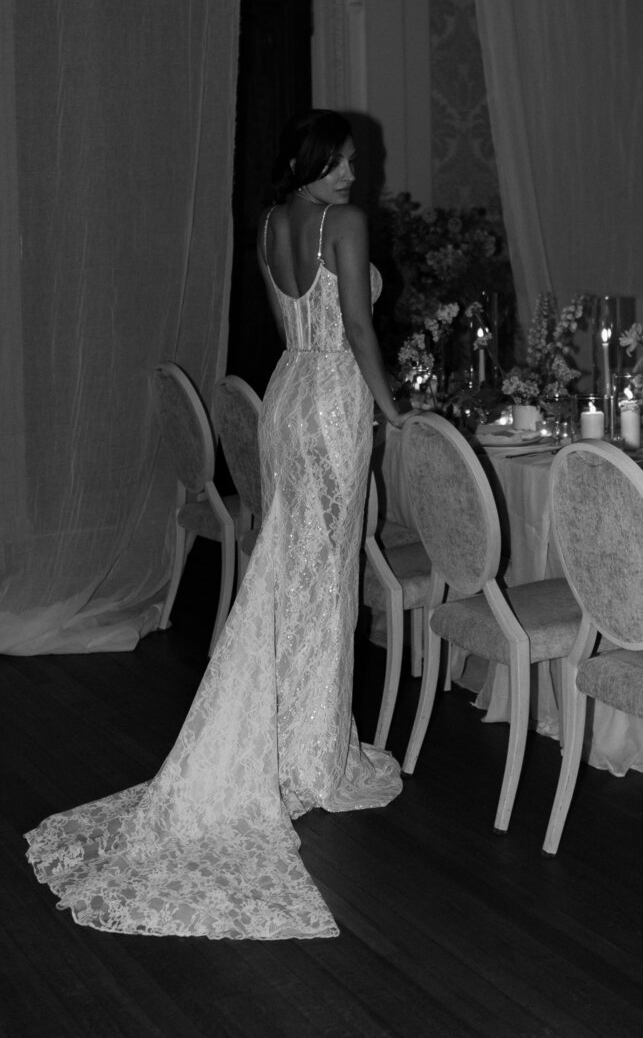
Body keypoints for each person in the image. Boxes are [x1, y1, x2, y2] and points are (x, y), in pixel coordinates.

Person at [25, 109, 415, 940]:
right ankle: (311, 750)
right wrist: (391, 407)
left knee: (288, 573)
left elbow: (292, 328)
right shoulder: (342, 223)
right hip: (335, 397)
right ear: (309, 162)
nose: (352, 175)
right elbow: (354, 327)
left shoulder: (274, 222)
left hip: (287, 394)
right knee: (321, 578)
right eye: (340, 161)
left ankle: (295, 735)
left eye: (353, 163)